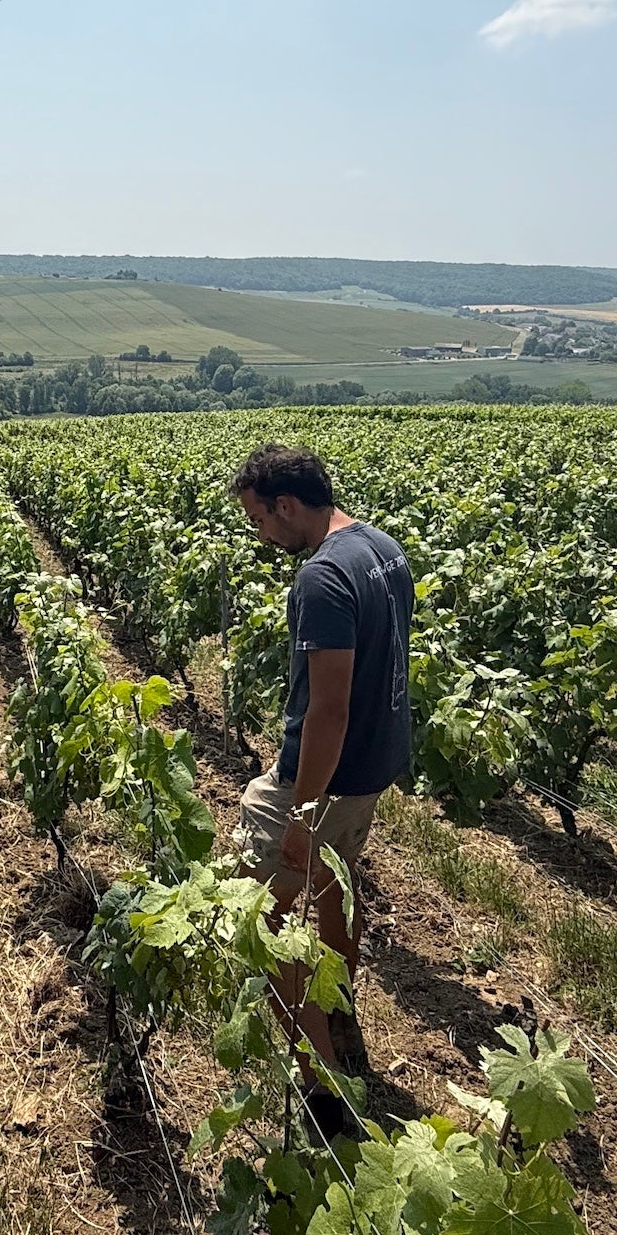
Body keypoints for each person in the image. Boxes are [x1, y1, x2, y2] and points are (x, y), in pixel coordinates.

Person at [226, 443, 414, 1141]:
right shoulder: (383, 549)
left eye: (259, 519)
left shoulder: (321, 579)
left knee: (262, 921)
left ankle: (322, 1087)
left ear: (285, 505)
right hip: (370, 768)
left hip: (325, 777)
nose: (260, 535)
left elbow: (328, 711)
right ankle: (339, 1013)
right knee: (336, 887)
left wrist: (301, 815)